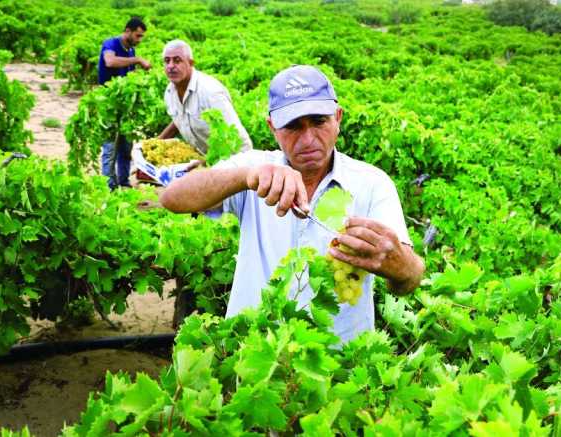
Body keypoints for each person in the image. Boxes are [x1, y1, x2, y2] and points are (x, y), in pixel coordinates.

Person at [159, 65, 425, 342]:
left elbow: (408, 280)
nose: (308, 139)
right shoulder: (255, 170)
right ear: (272, 128)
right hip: (258, 355)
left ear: (338, 118)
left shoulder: (372, 184)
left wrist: (403, 267)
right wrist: (246, 177)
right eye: (293, 127)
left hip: (340, 365)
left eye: (319, 122)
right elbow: (172, 197)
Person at [157, 39, 253, 154]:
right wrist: (156, 143)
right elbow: (180, 119)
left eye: (177, 61)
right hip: (202, 158)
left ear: (191, 63)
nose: (171, 66)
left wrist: (208, 162)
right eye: (167, 61)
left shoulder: (210, 92)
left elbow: (237, 140)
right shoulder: (170, 92)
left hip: (231, 160)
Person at [98, 17, 151, 190]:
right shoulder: (111, 44)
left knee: (126, 146)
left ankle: (124, 181)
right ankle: (109, 186)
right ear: (127, 31)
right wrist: (136, 60)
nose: (139, 40)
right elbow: (110, 62)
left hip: (125, 105)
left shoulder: (130, 51)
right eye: (137, 35)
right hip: (109, 103)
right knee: (110, 147)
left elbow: (130, 78)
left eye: (141, 37)